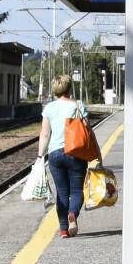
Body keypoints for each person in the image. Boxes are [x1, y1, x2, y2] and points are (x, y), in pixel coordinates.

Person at [36, 74, 100, 238]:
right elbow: (88, 131)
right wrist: (96, 154)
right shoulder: (77, 105)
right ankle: (73, 214)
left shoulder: (49, 108)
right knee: (77, 190)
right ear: (69, 89)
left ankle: (63, 229)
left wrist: (39, 156)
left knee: (62, 193)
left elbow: (44, 135)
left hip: (55, 155)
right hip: (76, 152)